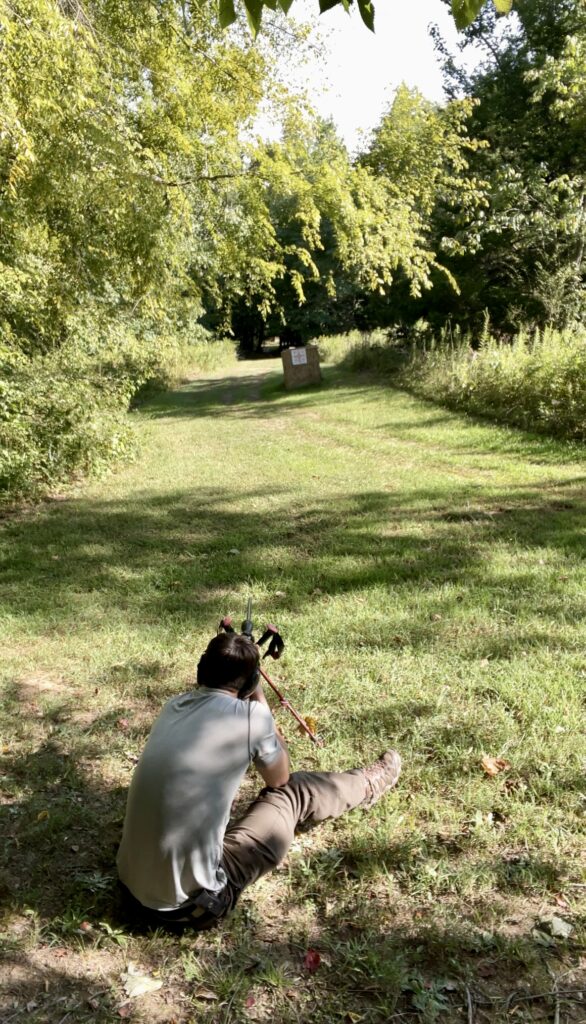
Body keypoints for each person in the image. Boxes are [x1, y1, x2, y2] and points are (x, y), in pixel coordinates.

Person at [117, 632, 401, 931]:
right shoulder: (253, 717)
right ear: (251, 682)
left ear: (201, 670)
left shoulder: (172, 706)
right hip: (189, 908)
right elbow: (280, 778)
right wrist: (260, 701)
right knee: (295, 791)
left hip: (129, 891)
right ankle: (368, 785)